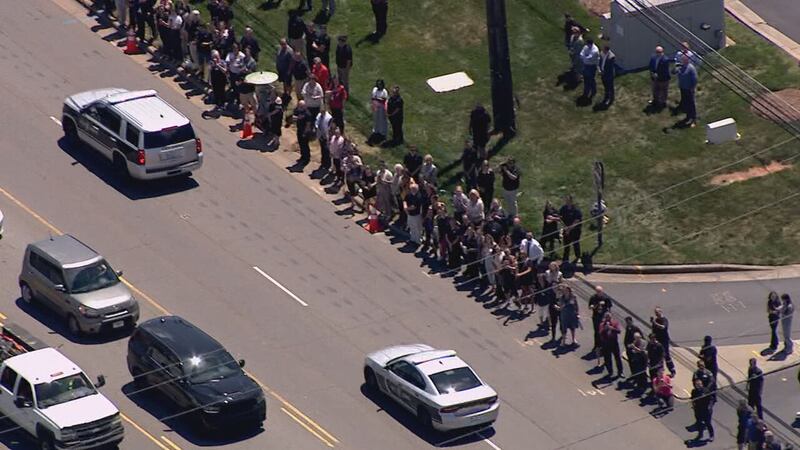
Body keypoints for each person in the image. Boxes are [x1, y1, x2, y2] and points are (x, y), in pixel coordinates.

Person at [651, 307, 675, 376]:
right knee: (659, 356)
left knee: (666, 355)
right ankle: (660, 371)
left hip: (664, 340)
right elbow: (653, 331)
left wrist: (655, 323)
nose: (656, 313)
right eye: (655, 312)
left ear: (661, 312)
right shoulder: (656, 320)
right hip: (658, 341)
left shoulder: (664, 320)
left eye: (657, 312)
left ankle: (672, 370)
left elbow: (663, 327)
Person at [599, 312, 623, 378]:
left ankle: (620, 372)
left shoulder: (615, 323)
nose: (607, 319)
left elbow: (619, 331)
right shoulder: (602, 324)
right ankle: (610, 371)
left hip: (614, 343)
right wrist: (605, 329)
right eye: (606, 317)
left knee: (617, 357)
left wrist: (612, 328)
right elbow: (600, 333)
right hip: (606, 344)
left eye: (608, 317)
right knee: (607, 358)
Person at [675, 55, 698, 126]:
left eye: (683, 60)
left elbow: (695, 79)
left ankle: (693, 119)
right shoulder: (681, 67)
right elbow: (674, 72)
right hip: (683, 88)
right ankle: (688, 116)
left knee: (691, 104)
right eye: (682, 60)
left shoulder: (691, 68)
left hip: (689, 89)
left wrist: (692, 87)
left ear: (687, 60)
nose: (682, 61)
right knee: (686, 103)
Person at [589, 286, 613, 352]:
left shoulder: (606, 298)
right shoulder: (593, 298)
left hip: (603, 317)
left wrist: (609, 317)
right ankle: (597, 345)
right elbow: (590, 306)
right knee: (596, 332)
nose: (598, 293)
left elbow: (609, 307)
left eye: (599, 291)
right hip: (596, 316)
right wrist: (594, 306)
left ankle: (604, 346)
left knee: (604, 331)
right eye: (597, 292)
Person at [559, 195, 582, 263]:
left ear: (571, 201)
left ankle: (578, 257)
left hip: (575, 230)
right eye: (566, 200)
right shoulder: (563, 209)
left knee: (576, 244)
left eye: (568, 200)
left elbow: (577, 220)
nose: (567, 202)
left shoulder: (576, 210)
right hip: (566, 230)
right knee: (566, 245)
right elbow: (560, 218)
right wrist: (565, 228)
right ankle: (565, 259)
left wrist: (569, 229)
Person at [292, 100, 314, 165]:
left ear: (305, 106)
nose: (300, 107)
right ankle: (303, 156)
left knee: (305, 145)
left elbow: (308, 125)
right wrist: (296, 117)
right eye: (299, 106)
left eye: (301, 106)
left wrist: (305, 133)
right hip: (299, 129)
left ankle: (306, 158)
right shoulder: (298, 111)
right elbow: (294, 117)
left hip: (305, 131)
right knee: (301, 144)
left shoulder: (307, 114)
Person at [370, 79, 389, 145]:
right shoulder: (375, 89)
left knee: (382, 120)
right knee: (376, 119)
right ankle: (376, 130)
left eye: (380, 84)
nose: (379, 85)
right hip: (375, 107)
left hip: (382, 108)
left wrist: (377, 99)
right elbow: (372, 98)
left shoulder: (384, 91)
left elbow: (384, 100)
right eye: (378, 84)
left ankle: (382, 133)